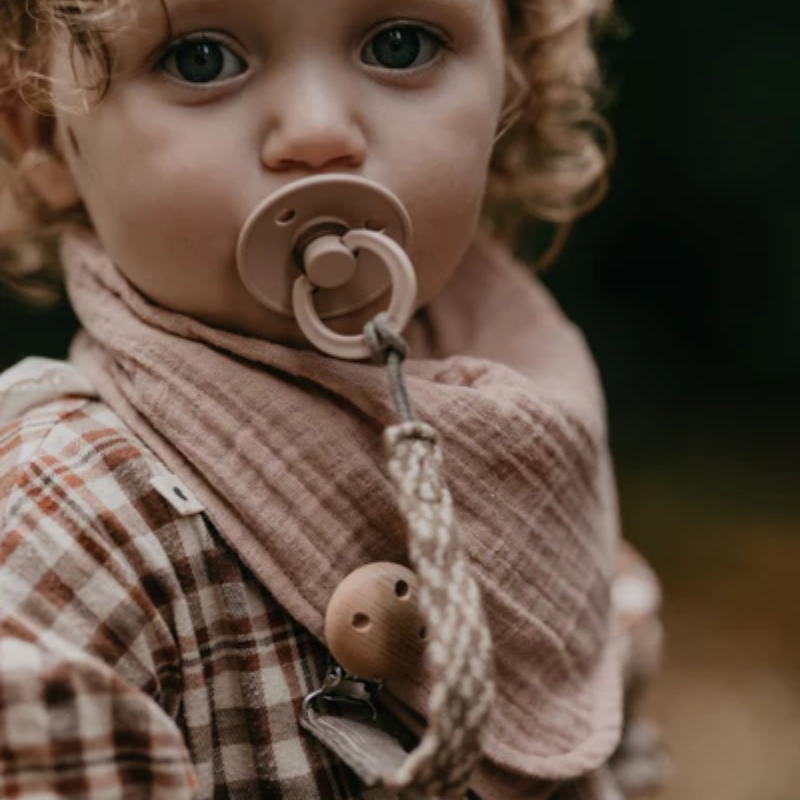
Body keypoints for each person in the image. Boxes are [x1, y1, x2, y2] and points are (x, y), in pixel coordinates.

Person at [0, 0, 664, 798]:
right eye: (200, 60)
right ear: (38, 132)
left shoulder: (527, 429)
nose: (319, 133)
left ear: (511, 78)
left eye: (400, 44)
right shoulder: (71, 530)